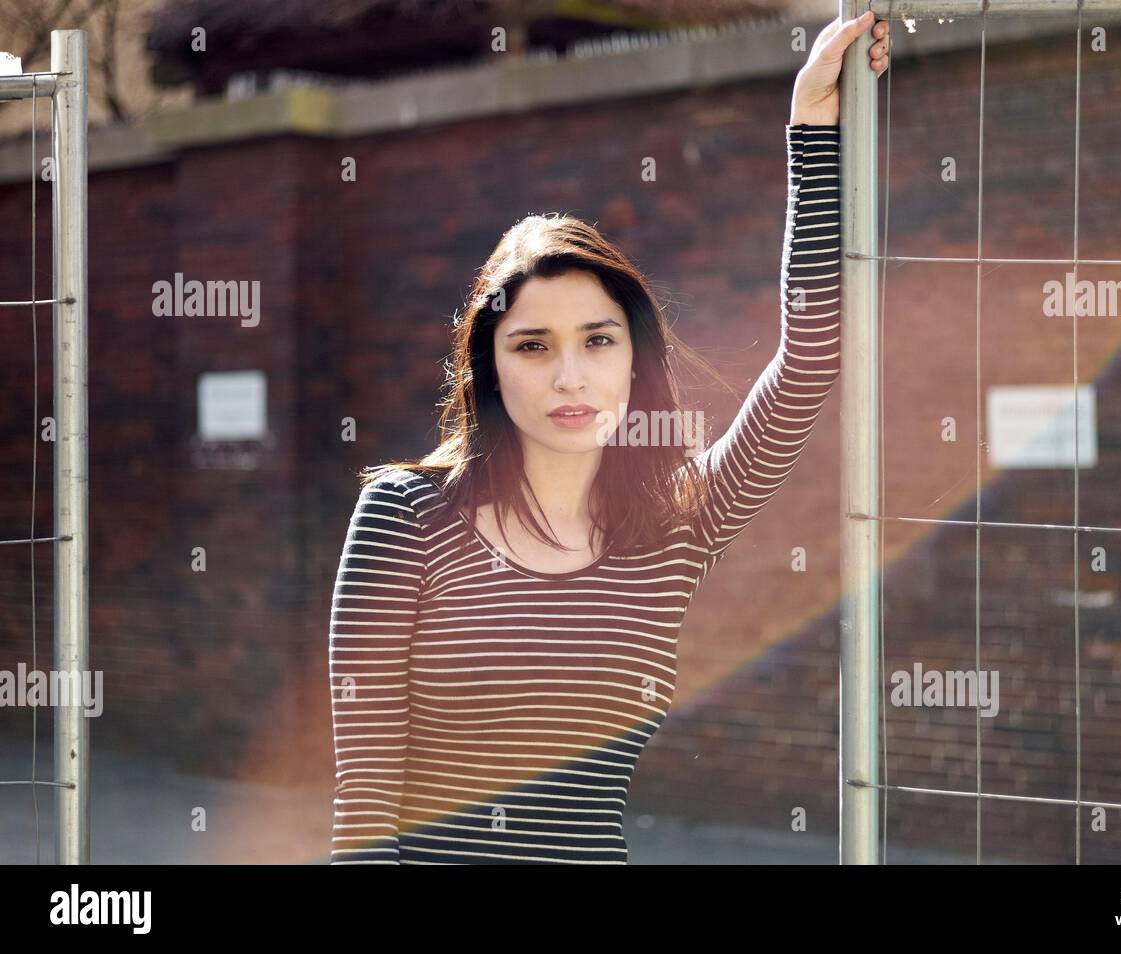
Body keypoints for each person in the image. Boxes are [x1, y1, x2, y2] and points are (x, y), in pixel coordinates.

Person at [328, 12, 891, 864]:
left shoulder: (676, 524)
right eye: (532, 346)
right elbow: (365, 819)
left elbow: (812, 358)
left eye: (598, 341)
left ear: (635, 361)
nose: (569, 377)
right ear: (488, 368)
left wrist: (810, 128)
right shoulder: (404, 519)